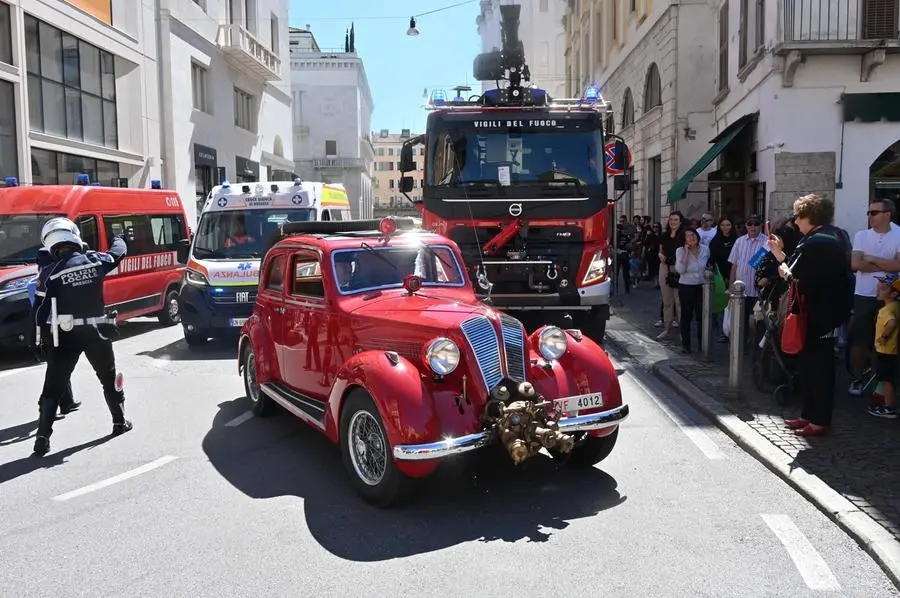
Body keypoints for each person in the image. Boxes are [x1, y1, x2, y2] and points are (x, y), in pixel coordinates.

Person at [32, 217, 132, 457]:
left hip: (65, 335)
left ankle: (42, 440)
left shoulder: (49, 273)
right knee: (108, 379)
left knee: (53, 388)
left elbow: (39, 311)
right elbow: (119, 252)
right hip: (96, 332)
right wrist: (119, 236)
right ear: (74, 237)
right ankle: (119, 423)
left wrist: (38, 340)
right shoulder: (95, 260)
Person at [768, 194, 852, 437]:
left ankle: (820, 420)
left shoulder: (820, 242)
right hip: (820, 312)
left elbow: (795, 276)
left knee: (820, 368)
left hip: (821, 314)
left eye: (798, 216)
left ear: (809, 216)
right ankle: (808, 415)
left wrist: (782, 267)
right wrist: (779, 255)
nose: (795, 221)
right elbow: (798, 270)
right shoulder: (829, 236)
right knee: (809, 366)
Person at [847, 199, 900, 396]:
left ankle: (882, 382)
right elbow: (855, 264)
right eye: (868, 213)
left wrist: (872, 259)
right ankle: (857, 378)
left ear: (888, 214)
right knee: (859, 339)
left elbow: (899, 266)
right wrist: (887, 264)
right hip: (864, 294)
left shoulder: (899, 234)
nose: (870, 216)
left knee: (886, 341)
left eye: (874, 213)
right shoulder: (861, 235)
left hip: (890, 296)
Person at [29, 246, 81, 418]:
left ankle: (67, 401)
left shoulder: (41, 278)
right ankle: (44, 405)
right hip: (52, 328)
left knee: (61, 366)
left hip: (53, 327)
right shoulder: (46, 279)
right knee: (55, 369)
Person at [674, 228, 709, 353]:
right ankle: (686, 345)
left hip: (701, 286)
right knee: (686, 316)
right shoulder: (680, 251)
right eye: (688, 236)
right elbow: (680, 269)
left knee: (701, 316)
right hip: (686, 286)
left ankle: (702, 344)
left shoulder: (705, 249)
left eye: (693, 235)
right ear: (684, 240)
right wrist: (686, 253)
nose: (691, 237)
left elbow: (708, 265)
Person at [869, 273, 899, 419]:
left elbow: (891, 322)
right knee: (887, 378)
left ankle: (889, 407)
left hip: (886, 350)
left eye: (883, 288)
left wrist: (884, 337)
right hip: (891, 350)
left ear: (893, 294)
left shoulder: (887, 310)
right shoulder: (895, 306)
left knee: (886, 379)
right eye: (879, 287)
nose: (878, 290)